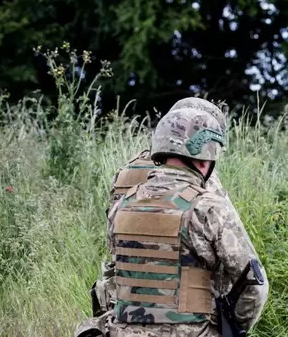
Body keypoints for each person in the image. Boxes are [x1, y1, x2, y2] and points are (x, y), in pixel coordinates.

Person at [97, 107, 267, 336]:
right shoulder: (207, 207)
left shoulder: (123, 204)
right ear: (206, 160)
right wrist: (234, 327)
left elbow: (114, 271)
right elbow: (255, 284)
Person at [88, 97, 229, 322]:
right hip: (182, 311)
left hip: (125, 301)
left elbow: (113, 242)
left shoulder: (126, 172)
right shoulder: (198, 177)